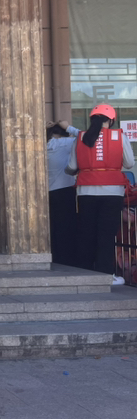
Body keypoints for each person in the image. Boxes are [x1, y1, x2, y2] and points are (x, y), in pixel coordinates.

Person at [65, 104, 135, 285]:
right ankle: (105, 275)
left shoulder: (81, 137)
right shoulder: (119, 136)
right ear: (111, 121)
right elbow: (129, 163)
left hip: (86, 192)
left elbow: (72, 167)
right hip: (112, 192)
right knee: (106, 234)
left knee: (86, 233)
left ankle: (84, 273)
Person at [47, 119, 81, 267]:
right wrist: (69, 127)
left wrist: (42, 129)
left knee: (50, 227)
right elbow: (87, 136)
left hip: (45, 193)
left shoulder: (39, 144)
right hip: (65, 191)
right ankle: (66, 260)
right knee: (66, 228)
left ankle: (52, 257)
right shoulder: (68, 143)